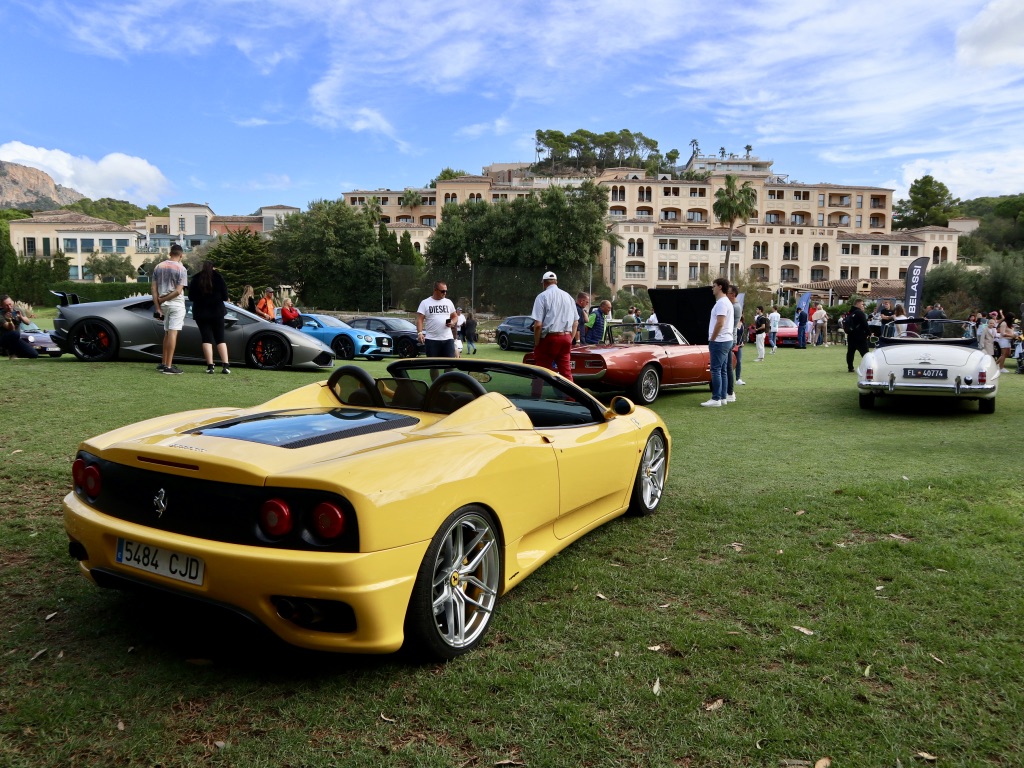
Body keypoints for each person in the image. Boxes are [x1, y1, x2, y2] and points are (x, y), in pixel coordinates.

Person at [530, 271, 578, 386]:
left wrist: (537, 342)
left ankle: (536, 399)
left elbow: (538, 325)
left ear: (544, 283)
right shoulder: (568, 297)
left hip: (549, 338)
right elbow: (575, 322)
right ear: (556, 282)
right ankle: (570, 400)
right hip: (566, 337)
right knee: (566, 373)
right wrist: (569, 339)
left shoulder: (542, 297)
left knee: (540, 372)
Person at [188, 261, 231, 374]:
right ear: (214, 268)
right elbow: (225, 297)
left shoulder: (196, 279)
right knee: (220, 339)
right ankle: (225, 365)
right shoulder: (219, 278)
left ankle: (210, 366)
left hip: (201, 313)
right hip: (217, 312)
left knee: (206, 339)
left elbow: (191, 297)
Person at [151, 244, 189, 374]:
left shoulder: (158, 266)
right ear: (181, 255)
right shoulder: (182, 269)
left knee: (167, 333)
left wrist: (158, 306)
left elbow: (154, 290)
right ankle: (168, 366)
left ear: (170, 253)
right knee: (173, 333)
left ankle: (163, 363)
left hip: (163, 306)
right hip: (176, 304)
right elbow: (178, 291)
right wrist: (163, 299)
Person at [702, 277, 734, 407]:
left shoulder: (721, 303)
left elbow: (720, 322)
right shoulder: (727, 302)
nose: (712, 288)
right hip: (727, 339)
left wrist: (713, 338)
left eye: (714, 285)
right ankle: (723, 397)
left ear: (720, 287)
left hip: (720, 340)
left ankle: (716, 399)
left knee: (715, 370)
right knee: (723, 370)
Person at [416, 281, 458, 357]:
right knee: (434, 366)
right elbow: (420, 319)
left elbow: (455, 316)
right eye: (442, 291)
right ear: (435, 290)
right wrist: (420, 333)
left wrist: (452, 322)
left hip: (447, 339)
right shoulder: (425, 303)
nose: (445, 293)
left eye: (446, 291)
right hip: (432, 340)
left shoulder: (448, 302)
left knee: (450, 365)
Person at [1, 294, 39, 360]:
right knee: (14, 334)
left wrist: (21, 317)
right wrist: (9, 320)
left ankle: (17, 353)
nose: (9, 307)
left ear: (12, 302)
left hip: (16, 339)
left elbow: (28, 322)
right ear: (2, 306)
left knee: (34, 354)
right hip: (3, 339)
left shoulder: (18, 310)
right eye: (6, 305)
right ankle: (11, 354)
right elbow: (11, 328)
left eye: (10, 304)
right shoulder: (0, 314)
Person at [845, 297, 870, 372]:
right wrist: (869, 333)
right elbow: (864, 324)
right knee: (865, 353)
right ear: (858, 304)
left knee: (850, 352)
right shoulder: (859, 313)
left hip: (851, 335)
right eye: (862, 304)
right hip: (860, 335)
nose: (863, 306)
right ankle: (868, 366)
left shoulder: (850, 312)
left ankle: (850, 367)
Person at [726, 284, 743, 391]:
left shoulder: (734, 307)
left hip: (730, 338)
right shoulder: (734, 306)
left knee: (728, 367)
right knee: (727, 367)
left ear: (732, 295)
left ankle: (730, 391)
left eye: (727, 293)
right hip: (731, 338)